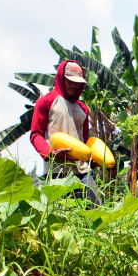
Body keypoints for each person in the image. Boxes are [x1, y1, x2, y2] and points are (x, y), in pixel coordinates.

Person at [30, 59, 101, 205]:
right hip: (57, 170)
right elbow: (35, 134)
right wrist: (51, 153)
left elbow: (86, 141)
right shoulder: (46, 102)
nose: (73, 85)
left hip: (82, 170)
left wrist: (93, 160)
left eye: (77, 82)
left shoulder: (83, 108)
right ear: (61, 77)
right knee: (62, 215)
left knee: (94, 208)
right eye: (69, 80)